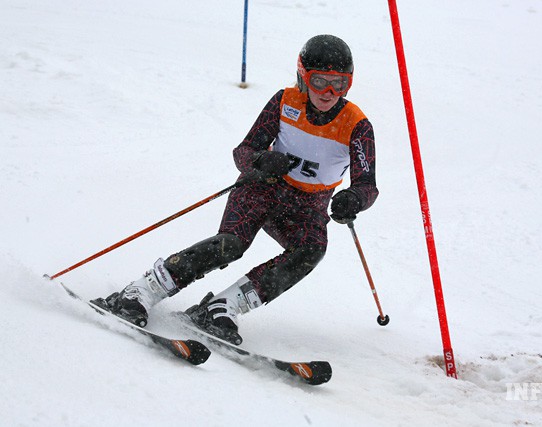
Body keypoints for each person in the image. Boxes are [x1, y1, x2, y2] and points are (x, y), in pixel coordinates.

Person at [92, 34, 378, 344]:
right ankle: (142, 290)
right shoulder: (285, 102)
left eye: (339, 83)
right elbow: (243, 152)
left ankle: (222, 307)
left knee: (311, 250)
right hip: (262, 189)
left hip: (307, 205)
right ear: (302, 76)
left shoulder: (356, 125)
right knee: (230, 244)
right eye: (319, 81)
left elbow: (367, 186)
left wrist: (353, 199)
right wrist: (261, 160)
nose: (329, 92)